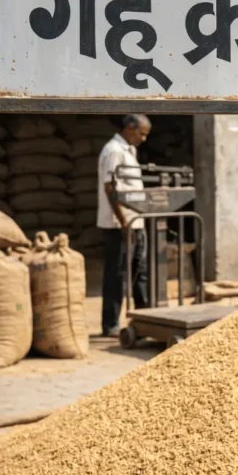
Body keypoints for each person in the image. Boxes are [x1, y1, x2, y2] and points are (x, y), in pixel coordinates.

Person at [98, 114, 151, 337]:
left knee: (141, 271)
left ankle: (146, 318)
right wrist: (123, 222)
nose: (144, 138)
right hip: (118, 224)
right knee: (117, 274)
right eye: (142, 133)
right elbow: (110, 188)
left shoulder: (130, 150)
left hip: (135, 220)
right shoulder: (113, 151)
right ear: (130, 128)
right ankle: (110, 324)